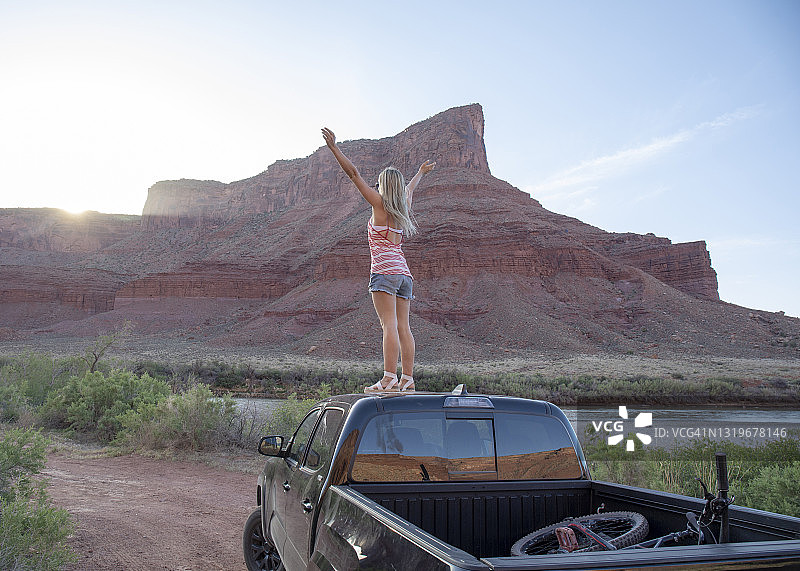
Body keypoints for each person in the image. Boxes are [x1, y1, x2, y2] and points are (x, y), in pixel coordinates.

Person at [322, 127, 435, 392]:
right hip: (404, 275)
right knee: (404, 326)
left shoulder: (379, 204)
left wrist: (334, 148)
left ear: (384, 186)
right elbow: (409, 188)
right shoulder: (403, 205)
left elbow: (353, 174)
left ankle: (388, 378)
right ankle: (407, 378)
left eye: (379, 184)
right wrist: (419, 173)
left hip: (384, 272)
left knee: (389, 325)